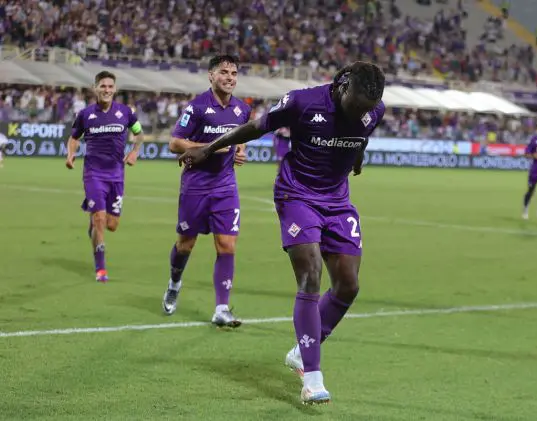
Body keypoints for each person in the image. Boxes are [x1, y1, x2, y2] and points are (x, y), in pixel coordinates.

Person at [178, 61, 386, 405]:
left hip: (338, 201)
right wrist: (209, 148)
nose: (360, 114)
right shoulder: (302, 102)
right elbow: (256, 126)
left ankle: (301, 349)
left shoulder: (372, 109)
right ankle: (312, 377)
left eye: (366, 109)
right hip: (297, 195)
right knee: (310, 275)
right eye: (355, 106)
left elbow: (361, 135)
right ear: (343, 87)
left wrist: (357, 158)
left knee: (349, 285)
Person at [162, 55, 249, 328]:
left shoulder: (241, 110)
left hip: (225, 188)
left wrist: (240, 151)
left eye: (234, 72)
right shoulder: (197, 107)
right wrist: (209, 147)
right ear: (211, 76)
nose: (230, 77)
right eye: (224, 72)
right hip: (196, 188)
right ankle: (175, 281)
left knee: (227, 246)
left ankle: (221, 308)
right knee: (185, 244)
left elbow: (241, 137)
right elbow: (175, 143)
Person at [66, 71, 144, 282]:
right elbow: (73, 138)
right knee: (100, 219)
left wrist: (135, 152)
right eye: (103, 86)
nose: (107, 90)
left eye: (110, 86)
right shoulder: (85, 115)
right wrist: (71, 155)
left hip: (117, 175)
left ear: (115, 89)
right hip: (93, 174)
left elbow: (139, 134)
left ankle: (93, 224)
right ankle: (100, 269)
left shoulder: (126, 112)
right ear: (95, 88)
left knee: (111, 225)